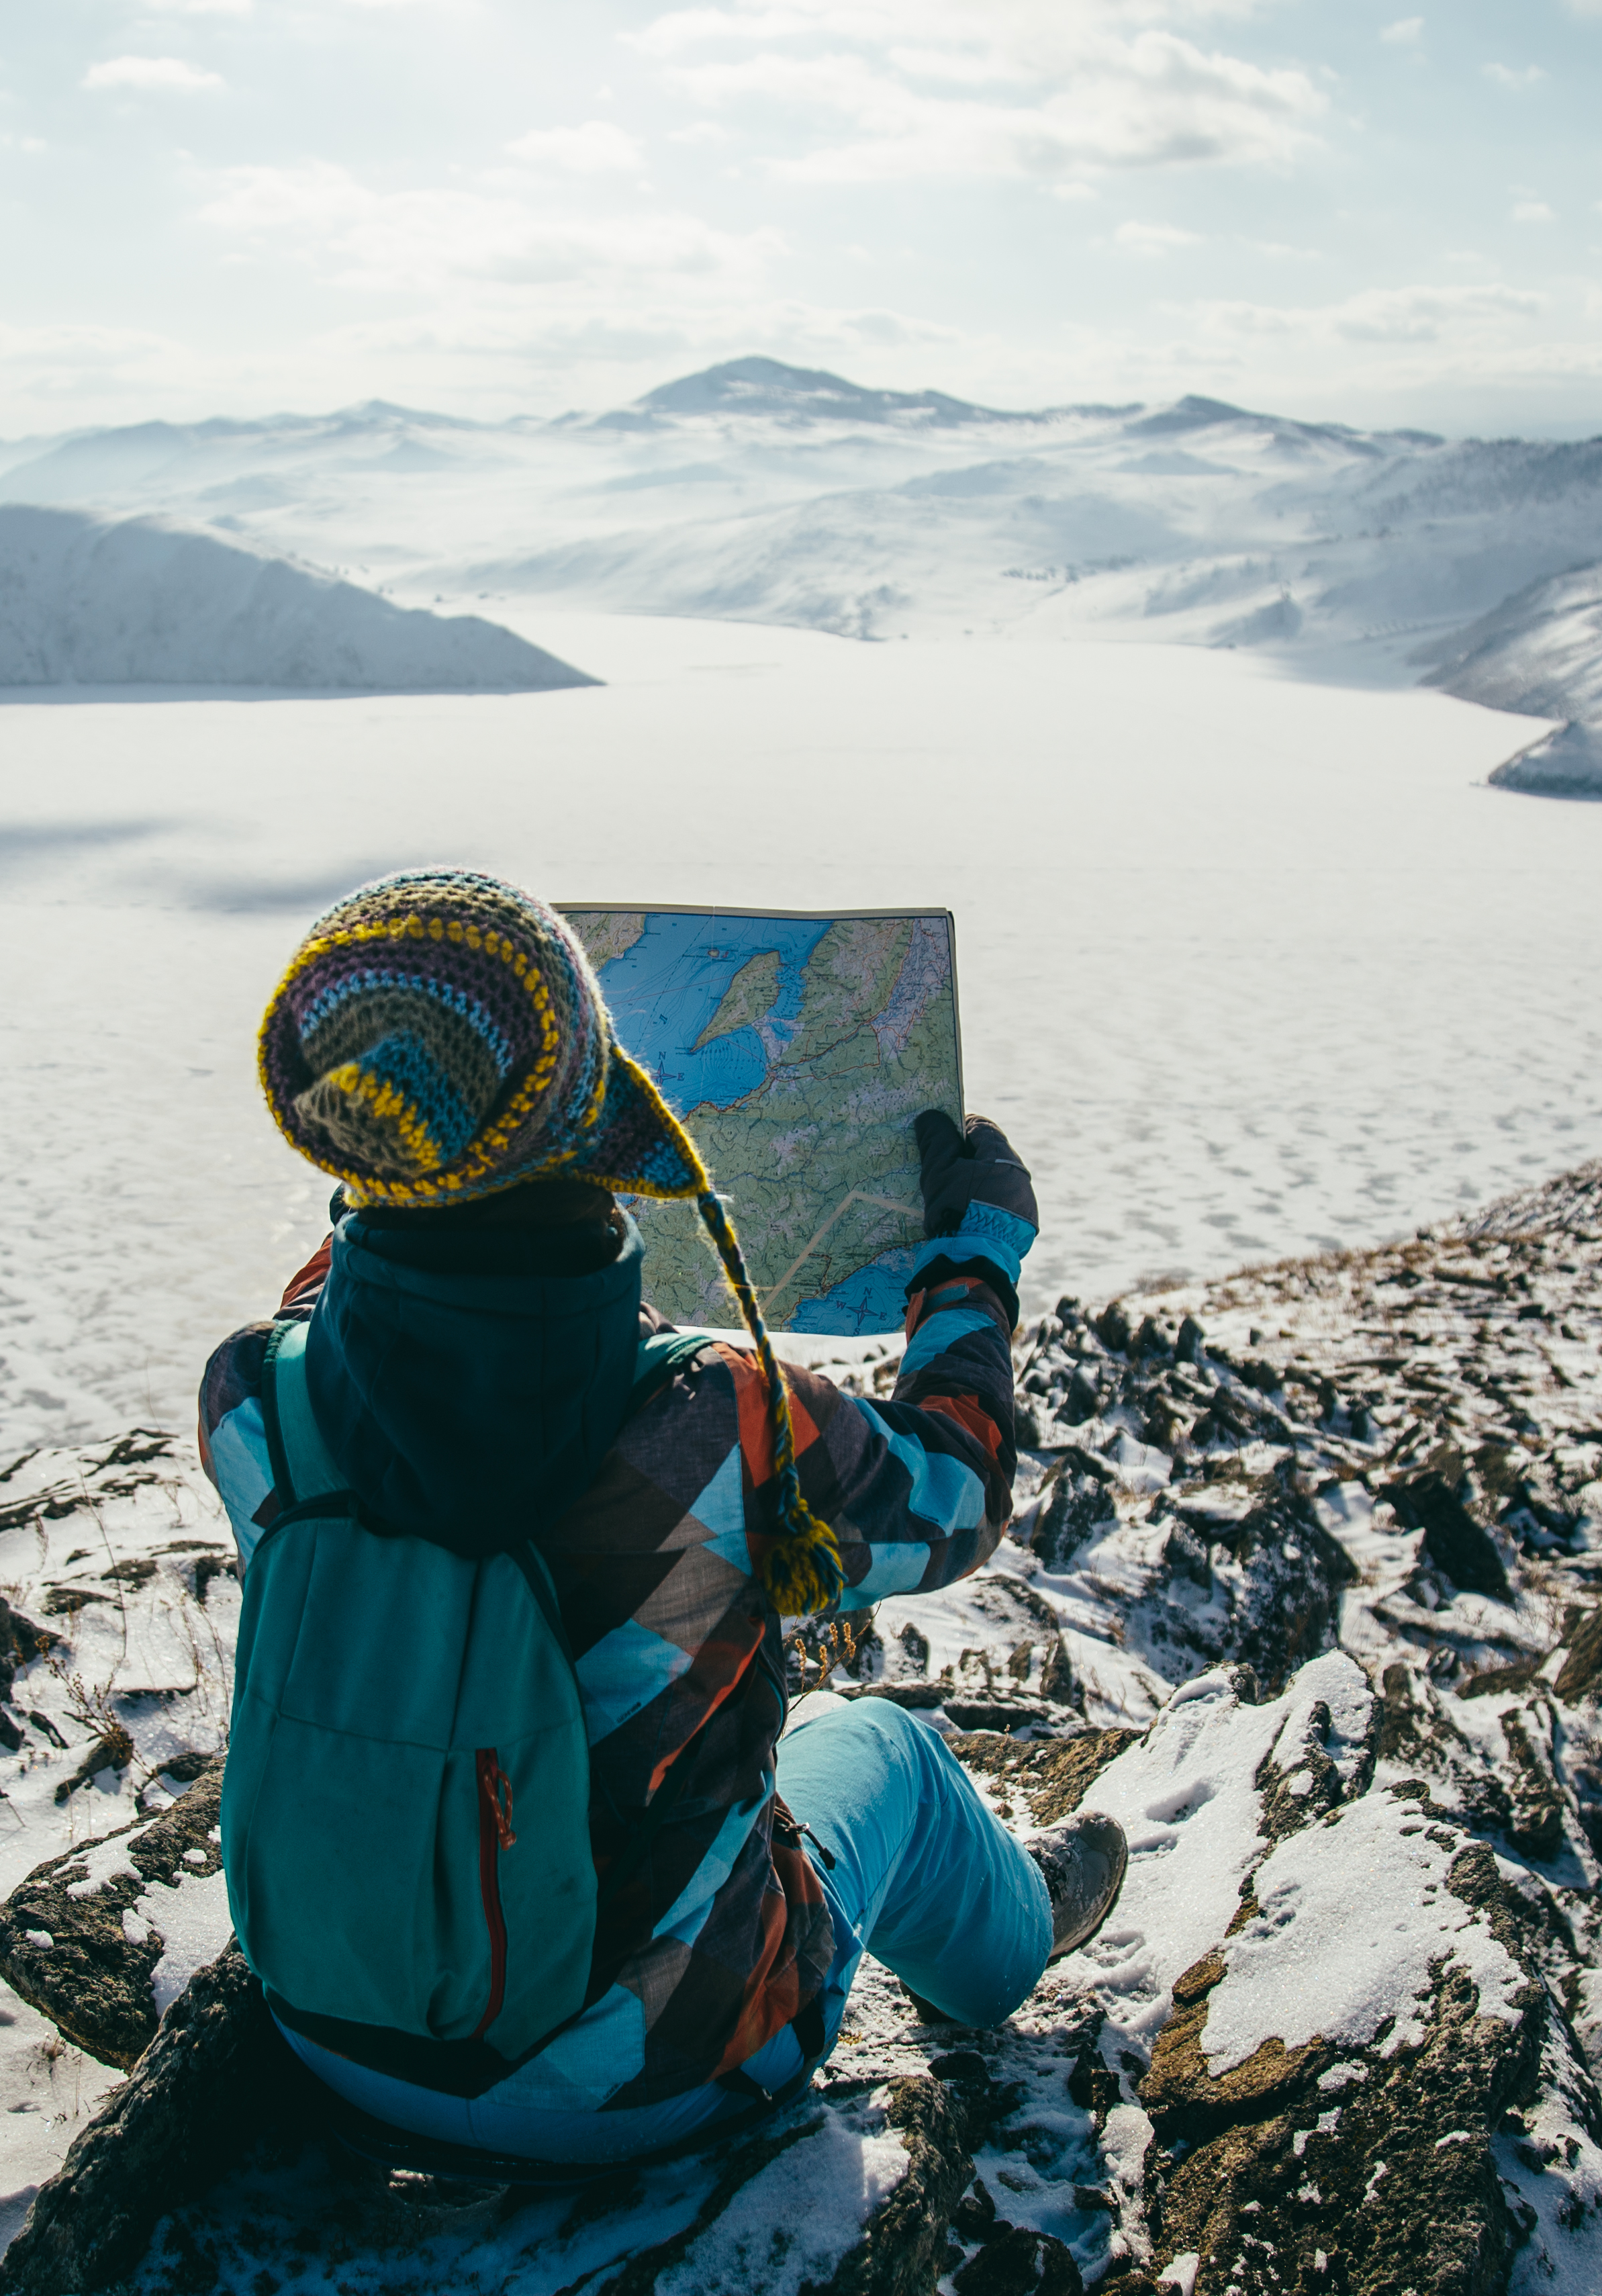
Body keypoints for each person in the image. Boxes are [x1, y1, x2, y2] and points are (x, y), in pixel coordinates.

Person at [196, 868, 1130, 2170]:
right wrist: (971, 1260)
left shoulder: (253, 1394)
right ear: (584, 1104)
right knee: (879, 1751)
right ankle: (1017, 1931)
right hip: (641, 2080)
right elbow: (952, 1498)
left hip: (341, 2032)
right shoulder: (709, 1417)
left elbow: (359, 1328)